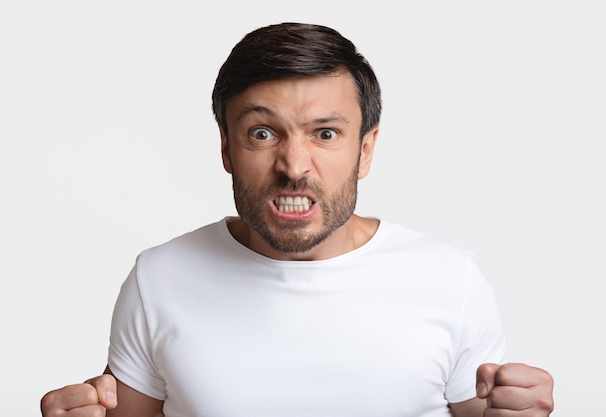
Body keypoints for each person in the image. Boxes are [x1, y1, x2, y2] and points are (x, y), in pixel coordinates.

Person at [40, 22, 554, 417]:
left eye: (325, 133)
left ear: (366, 149)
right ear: (226, 147)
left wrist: (516, 408)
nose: (293, 166)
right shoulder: (159, 278)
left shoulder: (449, 278)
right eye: (263, 133)